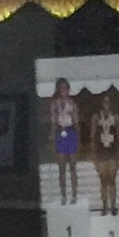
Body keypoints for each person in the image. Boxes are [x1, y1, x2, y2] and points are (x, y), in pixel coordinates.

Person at [48, 79, 81, 207]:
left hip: (70, 132)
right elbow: (53, 122)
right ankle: (63, 195)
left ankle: (74, 194)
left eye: (66, 88)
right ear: (58, 89)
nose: (64, 90)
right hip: (59, 133)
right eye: (61, 88)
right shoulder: (54, 104)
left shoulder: (72, 103)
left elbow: (76, 122)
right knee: (61, 167)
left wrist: (77, 139)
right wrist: (52, 138)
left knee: (72, 165)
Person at [90, 95, 119, 219]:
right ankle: (104, 205)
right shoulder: (96, 117)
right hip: (101, 153)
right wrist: (94, 157)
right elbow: (93, 137)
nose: (106, 105)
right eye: (104, 102)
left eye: (108, 102)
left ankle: (113, 206)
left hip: (112, 153)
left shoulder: (116, 118)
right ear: (101, 104)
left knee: (112, 179)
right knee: (103, 180)